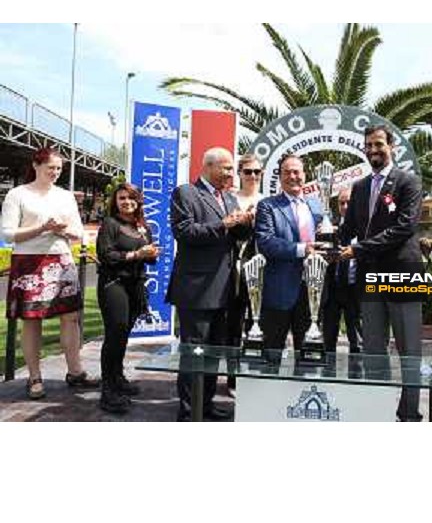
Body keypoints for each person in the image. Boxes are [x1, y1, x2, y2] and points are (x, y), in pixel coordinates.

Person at [339, 124, 423, 422]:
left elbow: (404, 228)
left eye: (379, 145)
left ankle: (409, 412)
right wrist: (322, 241)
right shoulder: (360, 187)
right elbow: (348, 229)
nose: (374, 150)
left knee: (409, 349)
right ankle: (379, 408)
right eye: (369, 145)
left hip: (403, 274)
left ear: (392, 147)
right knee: (374, 347)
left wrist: (358, 250)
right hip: (370, 276)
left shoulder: (408, 182)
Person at [0, 147, 99, 399]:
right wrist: (42, 228)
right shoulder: (17, 194)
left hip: (62, 261)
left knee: (71, 318)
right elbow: (8, 233)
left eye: (58, 169)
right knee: (32, 320)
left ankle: (75, 371)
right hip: (28, 263)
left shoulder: (65, 196)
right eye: (51, 168)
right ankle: (34, 377)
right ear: (36, 165)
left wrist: (62, 231)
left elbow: (78, 233)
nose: (55, 172)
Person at [166, 147, 252, 422]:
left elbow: (238, 235)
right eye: (226, 168)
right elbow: (185, 232)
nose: (231, 173)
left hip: (225, 288)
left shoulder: (228, 197)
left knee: (215, 351)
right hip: (196, 290)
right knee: (194, 352)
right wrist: (224, 224)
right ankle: (190, 412)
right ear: (209, 166)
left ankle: (207, 404)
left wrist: (245, 222)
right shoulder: (186, 193)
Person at [96, 182, 159, 414]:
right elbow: (106, 255)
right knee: (115, 332)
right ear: (116, 201)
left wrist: (150, 254)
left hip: (135, 286)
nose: (126, 202)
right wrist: (136, 254)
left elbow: (149, 258)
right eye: (122, 198)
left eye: (131, 198)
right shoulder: (110, 224)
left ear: (138, 201)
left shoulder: (143, 226)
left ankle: (118, 377)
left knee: (123, 334)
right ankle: (108, 390)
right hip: (114, 284)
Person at [255, 154, 323, 351]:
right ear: (280, 176)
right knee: (272, 352)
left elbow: (323, 237)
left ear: (304, 174)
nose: (293, 176)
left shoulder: (316, 205)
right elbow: (266, 242)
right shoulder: (268, 205)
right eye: (287, 172)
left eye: (296, 172)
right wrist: (303, 249)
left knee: (308, 355)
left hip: (313, 288)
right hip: (280, 289)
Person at [225, 153, 264, 395]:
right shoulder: (228, 200)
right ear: (239, 173)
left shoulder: (267, 201)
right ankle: (232, 379)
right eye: (247, 171)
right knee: (233, 326)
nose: (252, 176)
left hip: (260, 268)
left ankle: (253, 375)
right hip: (231, 270)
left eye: (256, 172)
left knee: (257, 324)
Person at [322, 186, 362, 354]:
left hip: (356, 288)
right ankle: (328, 376)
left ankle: (357, 376)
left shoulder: (365, 227)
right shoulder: (329, 227)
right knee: (328, 339)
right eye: (341, 203)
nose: (345, 207)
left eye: (349, 203)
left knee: (358, 341)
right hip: (333, 288)